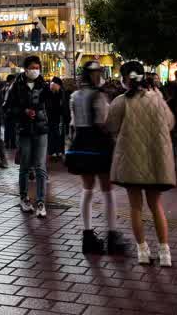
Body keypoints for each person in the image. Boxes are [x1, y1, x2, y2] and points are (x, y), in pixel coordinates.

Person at [107, 62, 176, 267]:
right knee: (156, 206)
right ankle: (165, 253)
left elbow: (110, 125)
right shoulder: (157, 98)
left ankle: (142, 252)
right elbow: (170, 123)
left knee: (135, 207)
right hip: (156, 160)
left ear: (125, 79)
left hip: (131, 160)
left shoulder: (121, 101)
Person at [67, 61, 123, 255]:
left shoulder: (74, 95)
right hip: (99, 145)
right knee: (107, 190)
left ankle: (87, 235)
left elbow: (73, 122)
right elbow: (103, 122)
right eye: (97, 72)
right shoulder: (98, 96)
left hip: (80, 145)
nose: (99, 75)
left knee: (87, 189)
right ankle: (112, 235)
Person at [5, 56, 50, 217]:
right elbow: (7, 108)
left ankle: (40, 201)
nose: (35, 70)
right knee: (24, 167)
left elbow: (53, 105)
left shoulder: (44, 85)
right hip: (24, 130)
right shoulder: (16, 86)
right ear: (25, 69)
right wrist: (23, 112)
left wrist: (58, 92)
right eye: (32, 67)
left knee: (40, 167)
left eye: (37, 67)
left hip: (41, 129)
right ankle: (24, 198)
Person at [47, 77, 67, 161]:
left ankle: (57, 151)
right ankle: (54, 151)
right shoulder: (49, 93)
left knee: (58, 134)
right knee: (54, 134)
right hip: (53, 118)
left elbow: (63, 106)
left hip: (57, 117)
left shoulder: (61, 93)